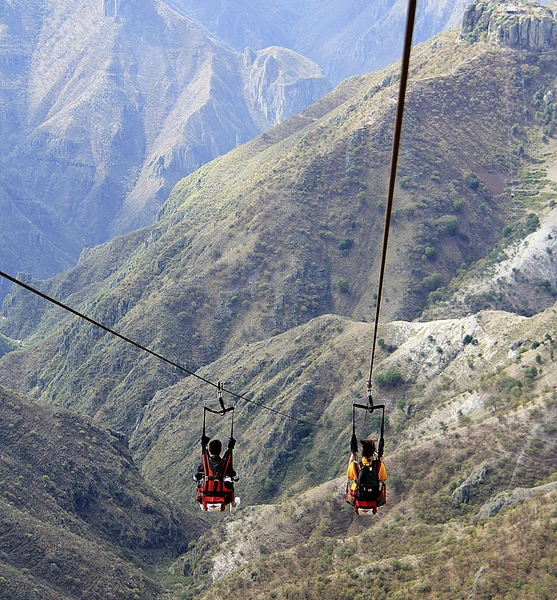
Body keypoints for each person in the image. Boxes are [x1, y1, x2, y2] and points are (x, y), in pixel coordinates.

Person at [194, 438, 241, 512]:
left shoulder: (204, 465)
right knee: (228, 481)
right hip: (222, 496)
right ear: (220, 450)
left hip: (205, 495)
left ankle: (203, 504)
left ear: (209, 450)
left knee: (201, 482)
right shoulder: (225, 465)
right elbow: (236, 478)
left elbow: (195, 478)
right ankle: (233, 505)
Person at [346, 438, 387, 506]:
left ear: (362, 453)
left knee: (351, 485)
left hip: (359, 497)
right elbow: (383, 478)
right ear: (373, 452)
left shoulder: (355, 466)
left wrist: (351, 461)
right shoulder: (378, 465)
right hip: (375, 497)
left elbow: (350, 477)